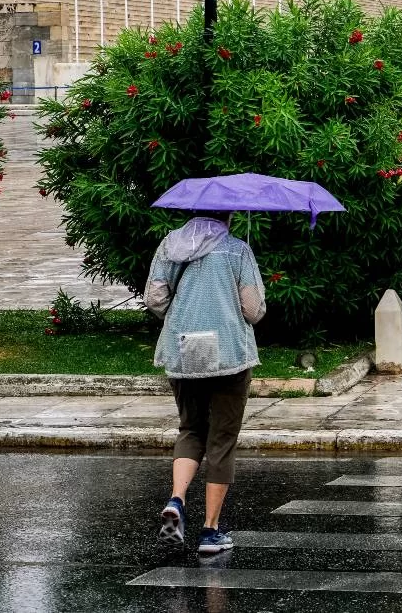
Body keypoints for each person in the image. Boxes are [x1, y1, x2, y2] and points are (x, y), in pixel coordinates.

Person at [144, 210, 266, 554]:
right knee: (222, 440)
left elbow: (154, 298)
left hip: (183, 350)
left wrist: (182, 316)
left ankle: (177, 498)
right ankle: (210, 531)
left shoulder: (169, 245)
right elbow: (252, 310)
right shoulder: (237, 250)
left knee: (191, 429)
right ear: (228, 216)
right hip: (229, 354)